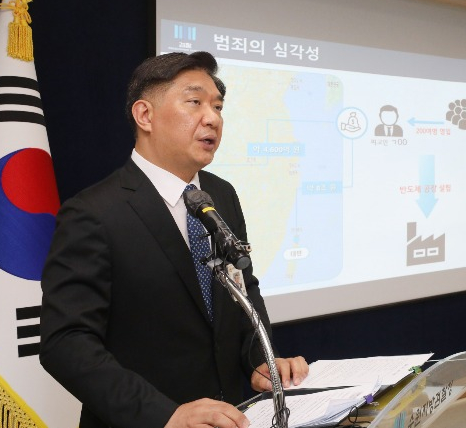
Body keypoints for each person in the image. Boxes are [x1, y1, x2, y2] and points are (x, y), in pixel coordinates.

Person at [40, 51, 309, 428]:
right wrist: (164, 415)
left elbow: (243, 290)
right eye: (195, 102)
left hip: (236, 415)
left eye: (218, 106)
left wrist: (258, 362)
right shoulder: (94, 213)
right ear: (145, 115)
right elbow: (65, 343)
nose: (213, 117)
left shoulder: (221, 195)